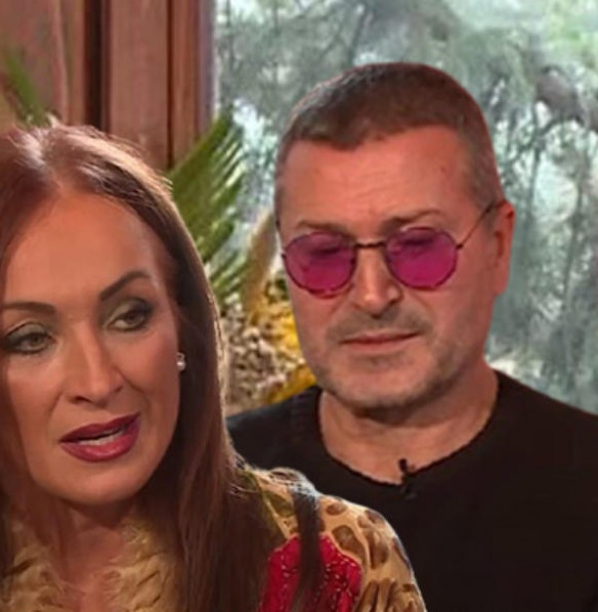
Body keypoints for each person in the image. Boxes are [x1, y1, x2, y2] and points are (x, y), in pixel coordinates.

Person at [0, 125, 424, 611]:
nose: (99, 381)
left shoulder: (337, 568)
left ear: (183, 326)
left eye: (129, 316)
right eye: (30, 339)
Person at [228, 62, 598, 611]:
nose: (372, 294)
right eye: (324, 254)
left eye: (419, 246)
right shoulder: (198, 495)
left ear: (498, 246)